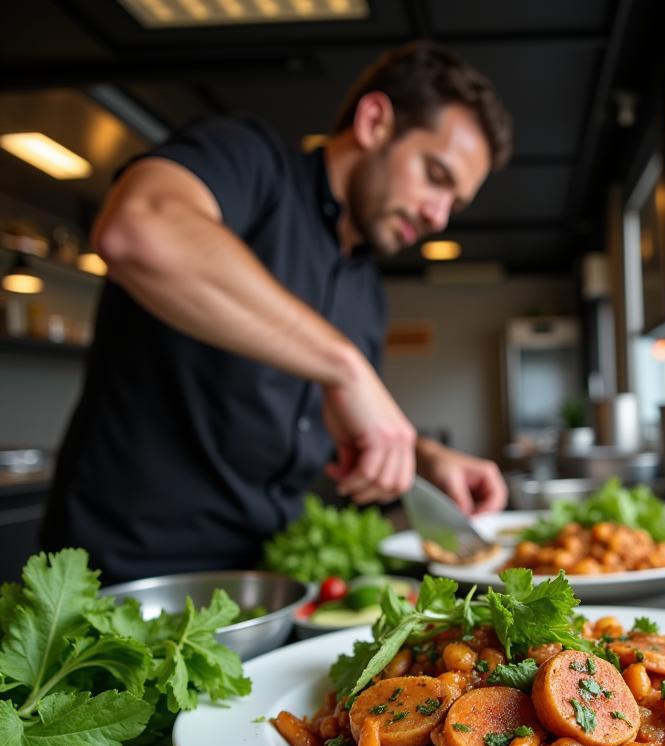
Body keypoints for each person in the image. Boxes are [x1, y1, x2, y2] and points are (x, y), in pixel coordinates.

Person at [41, 42, 513, 582]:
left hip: (266, 581)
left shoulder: (366, 287)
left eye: (456, 203)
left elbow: (341, 421)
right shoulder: (250, 158)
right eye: (435, 175)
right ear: (375, 121)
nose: (439, 216)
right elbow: (140, 229)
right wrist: (344, 364)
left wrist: (423, 457)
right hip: (129, 572)